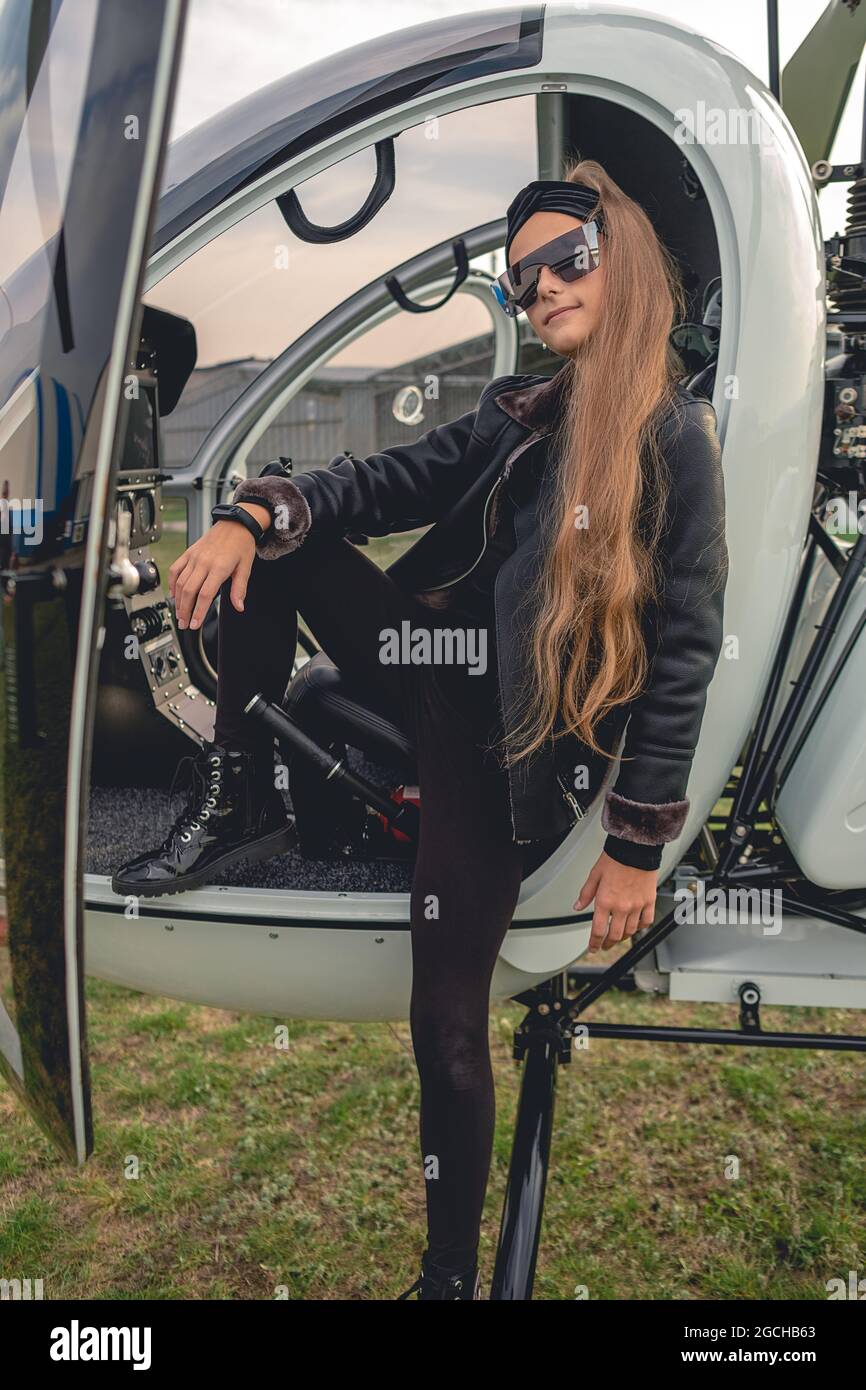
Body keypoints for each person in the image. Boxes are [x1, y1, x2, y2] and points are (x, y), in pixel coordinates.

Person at [112, 158, 729, 1300]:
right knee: (276, 540)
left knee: (445, 1023)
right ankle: (241, 799)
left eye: (565, 262)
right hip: (430, 672)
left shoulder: (670, 441)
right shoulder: (516, 416)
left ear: (624, 261)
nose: (540, 288)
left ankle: (448, 1280)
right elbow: (387, 478)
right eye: (519, 280)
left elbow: (686, 647)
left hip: (508, 755)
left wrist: (636, 844)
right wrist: (254, 512)